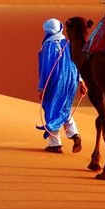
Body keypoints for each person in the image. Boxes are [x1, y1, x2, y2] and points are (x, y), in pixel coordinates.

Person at [36, 18, 87, 153]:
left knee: (52, 108)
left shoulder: (47, 45)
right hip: (71, 80)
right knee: (64, 107)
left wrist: (42, 88)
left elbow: (45, 68)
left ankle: (55, 144)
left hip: (54, 81)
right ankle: (74, 134)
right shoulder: (68, 43)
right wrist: (81, 81)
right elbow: (76, 62)